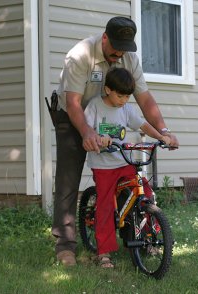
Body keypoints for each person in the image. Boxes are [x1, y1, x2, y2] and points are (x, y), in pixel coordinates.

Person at [52, 16, 179, 266]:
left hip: (111, 116)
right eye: (115, 47)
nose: (118, 53)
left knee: (126, 179)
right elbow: (73, 103)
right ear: (105, 37)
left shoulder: (128, 57)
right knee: (69, 176)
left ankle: (132, 235)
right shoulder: (80, 55)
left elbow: (144, 99)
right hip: (73, 114)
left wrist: (163, 130)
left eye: (124, 48)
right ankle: (65, 246)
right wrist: (87, 133)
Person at [84, 67, 172, 268]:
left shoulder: (127, 109)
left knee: (145, 194)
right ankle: (104, 252)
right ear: (108, 89)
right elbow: (87, 128)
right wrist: (97, 138)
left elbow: (142, 125)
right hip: (103, 166)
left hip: (124, 162)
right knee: (105, 205)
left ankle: (149, 239)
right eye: (120, 95)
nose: (124, 100)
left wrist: (161, 136)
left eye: (127, 96)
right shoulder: (95, 106)